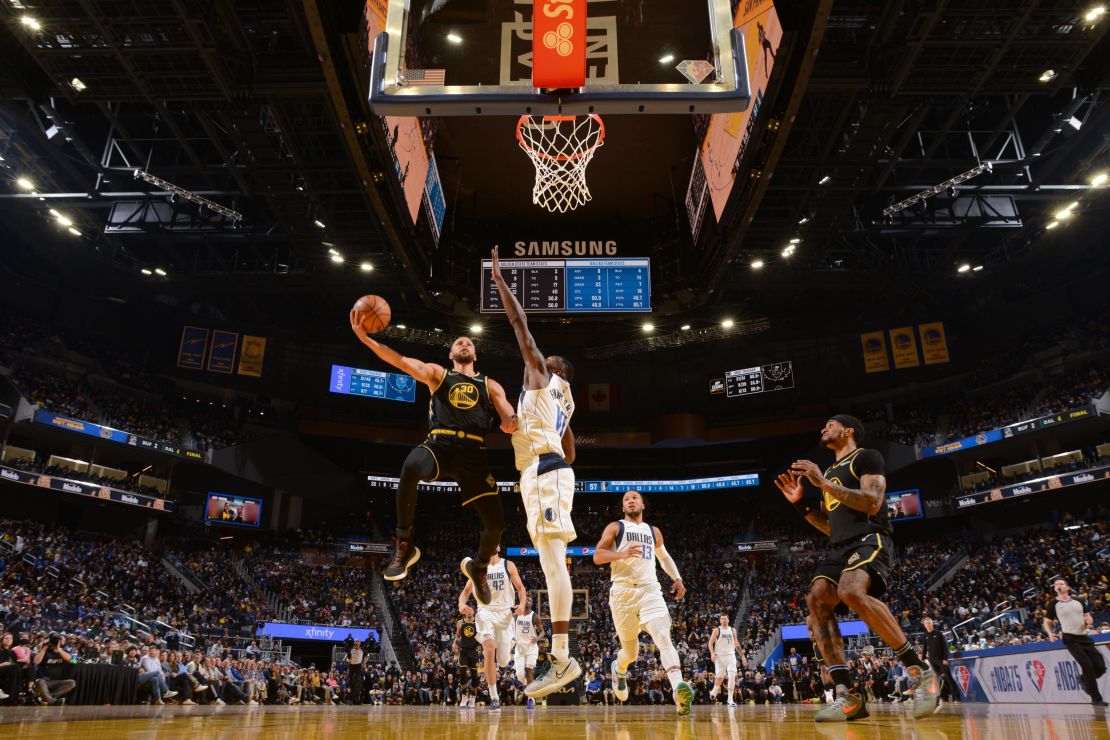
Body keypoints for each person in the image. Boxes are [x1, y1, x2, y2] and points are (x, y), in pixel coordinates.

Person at [775, 415, 939, 722]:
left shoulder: (865, 457)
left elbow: (872, 503)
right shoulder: (830, 474)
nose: (823, 428)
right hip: (840, 545)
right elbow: (830, 527)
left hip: (870, 536)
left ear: (848, 430)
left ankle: (921, 672)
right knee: (817, 600)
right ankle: (848, 695)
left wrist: (821, 482)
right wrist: (802, 505)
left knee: (850, 590)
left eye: (830, 424)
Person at [350, 312, 518, 602]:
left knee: (497, 526)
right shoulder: (438, 374)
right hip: (440, 444)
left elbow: (509, 416)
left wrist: (511, 422)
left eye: (469, 343)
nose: (464, 344)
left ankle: (478, 567)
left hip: (474, 454)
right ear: (451, 353)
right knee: (412, 465)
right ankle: (405, 543)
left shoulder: (490, 385)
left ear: (475, 353)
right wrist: (366, 339)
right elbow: (400, 361)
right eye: (459, 343)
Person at [489, 245, 582, 699]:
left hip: (545, 474)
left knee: (550, 563)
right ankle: (562, 657)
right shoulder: (561, 404)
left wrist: (501, 282)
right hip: (547, 472)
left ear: (553, 370)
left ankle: (563, 658)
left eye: (543, 363)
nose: (534, 364)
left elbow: (520, 327)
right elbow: (571, 450)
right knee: (549, 563)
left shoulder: (545, 378)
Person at [593, 489, 694, 715]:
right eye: (626, 499)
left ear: (642, 504)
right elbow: (597, 556)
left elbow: (664, 557)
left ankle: (679, 689)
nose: (630, 501)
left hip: (650, 591)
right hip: (622, 594)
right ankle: (618, 670)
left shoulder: (653, 531)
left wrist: (677, 578)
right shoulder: (615, 527)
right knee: (631, 653)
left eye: (634, 498)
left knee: (663, 637)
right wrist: (621, 554)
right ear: (623, 507)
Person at [458, 546, 527, 712]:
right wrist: (461, 604)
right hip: (485, 613)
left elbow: (521, 588)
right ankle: (494, 697)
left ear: (499, 546)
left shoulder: (508, 565)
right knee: (489, 648)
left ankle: (502, 663)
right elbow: (465, 592)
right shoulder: (478, 568)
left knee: (503, 660)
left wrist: (522, 604)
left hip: (505, 616)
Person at [1043, 576, 1107, 706]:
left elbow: (1088, 616)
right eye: (1056, 585)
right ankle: (1096, 699)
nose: (1058, 586)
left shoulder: (1079, 601)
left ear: (1067, 587)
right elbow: (1047, 622)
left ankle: (1083, 679)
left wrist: (1089, 620)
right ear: (1055, 589)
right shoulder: (1053, 604)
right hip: (1070, 638)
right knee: (1087, 666)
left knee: (1100, 666)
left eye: (1061, 583)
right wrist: (1050, 634)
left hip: (1084, 637)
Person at [512, 593, 544, 709]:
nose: (528, 601)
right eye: (526, 599)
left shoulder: (535, 616)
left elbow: (542, 631)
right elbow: (508, 626)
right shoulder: (516, 616)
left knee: (529, 670)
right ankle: (526, 686)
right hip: (519, 647)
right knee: (520, 675)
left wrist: (537, 638)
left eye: (530, 600)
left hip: (531, 647)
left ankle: (531, 698)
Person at [708, 613, 741, 706]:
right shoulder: (716, 630)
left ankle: (730, 699)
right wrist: (712, 653)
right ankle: (714, 690)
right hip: (719, 656)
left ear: (728, 620)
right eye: (722, 619)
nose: (724, 620)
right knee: (720, 677)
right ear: (720, 620)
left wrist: (742, 655)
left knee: (732, 675)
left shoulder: (733, 630)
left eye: (725, 618)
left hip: (731, 655)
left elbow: (736, 643)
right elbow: (710, 643)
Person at [922, 617, 956, 703]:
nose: (928, 625)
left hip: (941, 660)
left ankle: (957, 698)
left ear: (932, 624)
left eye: (929, 623)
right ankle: (944, 698)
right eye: (926, 624)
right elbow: (925, 648)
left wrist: (945, 658)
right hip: (932, 660)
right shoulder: (925, 635)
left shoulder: (939, 634)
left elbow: (945, 647)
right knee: (938, 680)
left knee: (949, 678)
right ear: (924, 625)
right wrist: (923, 658)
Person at [452, 613, 480, 708]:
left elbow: (482, 636)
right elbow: (458, 636)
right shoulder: (460, 622)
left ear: (473, 612)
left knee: (474, 676)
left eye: (470, 610)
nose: (468, 612)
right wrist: (455, 644)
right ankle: (464, 696)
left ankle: (472, 697)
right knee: (462, 673)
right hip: (463, 651)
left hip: (474, 651)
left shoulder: (477, 622)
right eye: (467, 610)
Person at [348, 639, 365, 705]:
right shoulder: (351, 649)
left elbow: (367, 656)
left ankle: (356, 699)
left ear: (360, 643)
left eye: (358, 641)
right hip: (351, 666)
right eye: (355, 641)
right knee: (351, 682)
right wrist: (348, 660)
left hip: (358, 666)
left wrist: (364, 662)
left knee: (357, 682)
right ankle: (351, 699)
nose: (356, 642)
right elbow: (347, 657)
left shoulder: (362, 650)